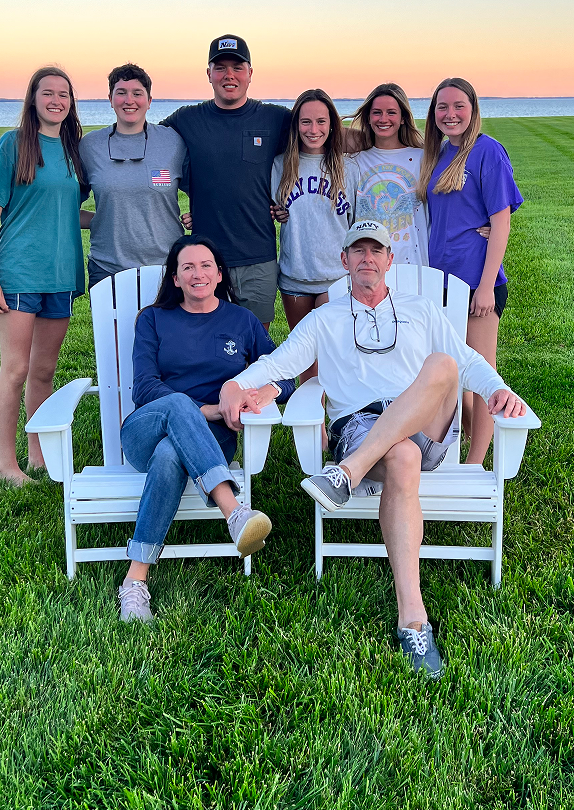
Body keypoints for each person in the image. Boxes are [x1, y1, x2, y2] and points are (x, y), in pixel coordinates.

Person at [219, 220, 525, 678]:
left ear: (390, 260)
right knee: (401, 456)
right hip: (360, 425)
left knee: (442, 362)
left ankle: (346, 474)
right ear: (344, 262)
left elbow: (465, 361)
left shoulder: (420, 308)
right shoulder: (325, 319)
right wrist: (236, 382)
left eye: (375, 250)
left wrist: (498, 389)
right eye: (357, 250)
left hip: (425, 424)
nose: (367, 258)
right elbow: (278, 362)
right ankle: (413, 620)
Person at [117, 237, 296, 624]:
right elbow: (145, 387)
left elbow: (286, 375)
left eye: (206, 266)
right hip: (144, 431)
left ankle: (135, 579)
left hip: (209, 444)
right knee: (178, 407)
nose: (198, 273)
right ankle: (234, 512)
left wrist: (265, 392)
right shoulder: (153, 319)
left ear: (218, 274)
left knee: (171, 455)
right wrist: (211, 409)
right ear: (176, 278)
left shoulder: (241, 321)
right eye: (188, 267)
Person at [0, 66, 88, 485]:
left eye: (64, 94)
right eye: (48, 93)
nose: (56, 100)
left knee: (44, 371)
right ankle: (8, 465)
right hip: (19, 272)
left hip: (61, 274)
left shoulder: (73, 149)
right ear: (33, 99)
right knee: (16, 369)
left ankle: (37, 453)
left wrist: (115, 219)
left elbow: (66, 211)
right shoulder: (13, 145)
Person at [420, 77, 523, 467]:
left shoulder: (488, 152)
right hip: (440, 283)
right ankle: (451, 447)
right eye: (442, 107)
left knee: (481, 375)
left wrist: (483, 287)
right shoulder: (439, 154)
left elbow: (501, 223)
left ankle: (475, 461)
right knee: (450, 370)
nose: (450, 114)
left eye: (458, 106)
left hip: (478, 285)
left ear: (473, 109)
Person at [161, 35, 289, 326]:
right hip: (205, 261)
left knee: (254, 348)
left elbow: (319, 138)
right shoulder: (187, 119)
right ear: (208, 74)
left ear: (250, 73)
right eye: (220, 68)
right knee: (208, 344)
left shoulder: (274, 118)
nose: (229, 75)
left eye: (237, 67)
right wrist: (193, 189)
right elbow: (150, 147)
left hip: (259, 257)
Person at [79, 62, 191, 289]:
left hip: (166, 266)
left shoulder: (173, 142)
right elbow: (66, 205)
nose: (129, 100)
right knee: (115, 327)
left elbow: (203, 190)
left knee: (165, 326)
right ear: (110, 99)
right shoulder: (90, 146)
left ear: (149, 101)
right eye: (121, 93)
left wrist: (198, 214)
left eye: (137, 93)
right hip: (107, 267)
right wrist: (106, 219)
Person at [270, 89, 352, 377]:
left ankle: (342, 419)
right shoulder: (280, 165)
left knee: (333, 359)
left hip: (336, 278)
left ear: (332, 124)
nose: (313, 130)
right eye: (306, 122)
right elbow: (268, 207)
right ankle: (313, 423)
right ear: (296, 125)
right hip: (295, 277)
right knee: (307, 363)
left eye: (321, 121)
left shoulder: (347, 167)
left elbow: (358, 225)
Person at [345, 83, 429, 265]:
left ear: (403, 118)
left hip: (414, 265)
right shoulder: (354, 160)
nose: (383, 119)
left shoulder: (422, 157)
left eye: (391, 112)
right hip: (367, 266)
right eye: (377, 112)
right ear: (368, 117)